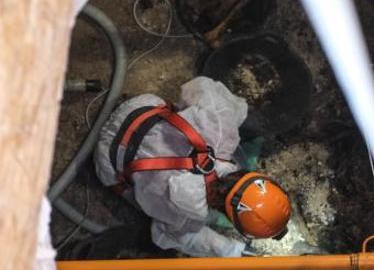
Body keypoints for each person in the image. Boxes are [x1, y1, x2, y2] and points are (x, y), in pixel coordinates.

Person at [94, 76, 292, 257]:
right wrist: (231, 251)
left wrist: (185, 120)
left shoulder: (223, 130)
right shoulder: (188, 211)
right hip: (106, 154)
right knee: (150, 211)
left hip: (137, 108)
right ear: (230, 219)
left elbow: (198, 86)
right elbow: (167, 236)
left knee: (183, 116)